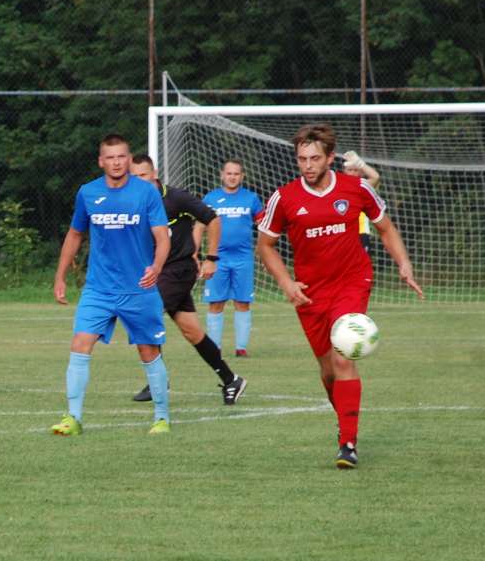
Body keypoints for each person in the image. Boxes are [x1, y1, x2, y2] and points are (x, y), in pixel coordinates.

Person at [257, 123, 424, 469]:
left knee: (343, 357)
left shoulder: (357, 188)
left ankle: (348, 443)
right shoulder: (284, 197)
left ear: (331, 157)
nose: (307, 165)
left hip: (352, 281)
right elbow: (266, 245)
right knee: (327, 370)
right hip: (310, 292)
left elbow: (385, 227)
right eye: (302, 158)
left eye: (314, 158)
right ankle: (344, 420)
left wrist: (404, 264)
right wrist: (287, 283)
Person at [51, 134, 172, 436]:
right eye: (110, 157)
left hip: (139, 288)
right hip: (99, 288)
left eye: (122, 157)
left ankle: (161, 417)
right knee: (80, 344)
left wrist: (156, 267)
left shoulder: (146, 193)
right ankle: (73, 417)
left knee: (148, 351)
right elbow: (75, 235)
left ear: (129, 160)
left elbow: (162, 237)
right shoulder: (88, 193)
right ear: (101, 161)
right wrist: (60, 275)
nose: (117, 162)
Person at [128, 155, 247, 405]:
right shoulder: (134, 201)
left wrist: (211, 257)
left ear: (154, 174)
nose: (137, 180)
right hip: (159, 272)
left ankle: (157, 382)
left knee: (146, 313)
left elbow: (212, 219)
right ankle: (231, 379)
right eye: (133, 176)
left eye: (142, 175)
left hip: (179, 270)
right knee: (192, 331)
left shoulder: (176, 197)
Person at [200, 160, 264, 357]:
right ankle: (215, 348)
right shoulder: (211, 198)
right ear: (222, 175)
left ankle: (241, 347)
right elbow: (200, 226)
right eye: (229, 173)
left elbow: (263, 226)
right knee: (216, 303)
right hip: (217, 259)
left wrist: (262, 250)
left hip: (244, 258)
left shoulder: (251, 199)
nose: (232, 177)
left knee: (242, 302)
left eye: (236, 173)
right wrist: (195, 253)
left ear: (242, 176)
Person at [341, 151, 381, 253]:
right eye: (350, 170)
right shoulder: (337, 186)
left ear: (361, 173)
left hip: (361, 233)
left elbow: (375, 177)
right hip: (341, 234)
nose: (353, 173)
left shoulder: (362, 187)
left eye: (356, 170)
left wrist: (360, 162)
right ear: (344, 171)